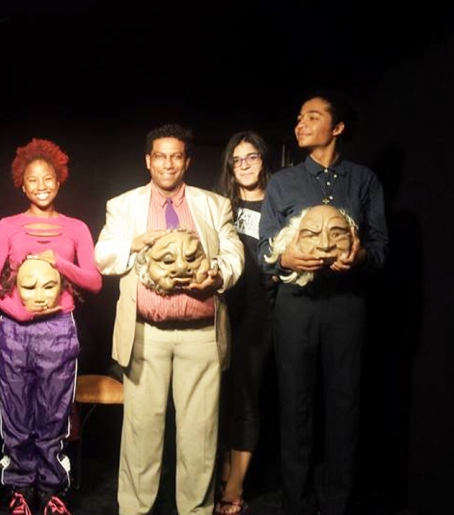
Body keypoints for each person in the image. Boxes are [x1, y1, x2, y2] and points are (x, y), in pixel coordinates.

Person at [94, 123, 243, 515]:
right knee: (141, 432)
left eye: (176, 156)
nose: (168, 164)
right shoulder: (123, 205)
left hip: (200, 335)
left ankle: (195, 510)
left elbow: (234, 253)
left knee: (200, 433)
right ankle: (135, 510)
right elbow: (103, 256)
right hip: (147, 334)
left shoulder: (214, 205)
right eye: (160, 156)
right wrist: (133, 243)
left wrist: (218, 274)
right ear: (148, 161)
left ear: (187, 161)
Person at [258, 92, 388, 515]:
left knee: (345, 404)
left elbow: (381, 249)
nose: (301, 124)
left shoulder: (364, 181)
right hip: (296, 306)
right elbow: (262, 250)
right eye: (299, 117)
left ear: (337, 127)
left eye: (312, 117)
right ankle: (297, 503)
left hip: (346, 305)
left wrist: (361, 256)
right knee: (294, 405)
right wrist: (286, 259)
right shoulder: (283, 182)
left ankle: (337, 503)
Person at [0, 138, 101, 515]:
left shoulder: (75, 228)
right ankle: (19, 489)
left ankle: (52, 492)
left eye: (47, 178)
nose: (41, 185)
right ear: (22, 184)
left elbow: (94, 281)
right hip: (15, 330)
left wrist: (58, 262)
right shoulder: (7, 226)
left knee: (54, 414)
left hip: (58, 329)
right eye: (32, 179)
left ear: (59, 180)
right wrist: (16, 313)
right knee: (16, 412)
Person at [214, 131, 274, 514]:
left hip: (260, 313)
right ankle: (221, 472)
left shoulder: (278, 203)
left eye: (252, 157)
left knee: (246, 395)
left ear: (263, 160)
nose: (245, 165)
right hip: (221, 311)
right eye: (237, 159)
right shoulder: (221, 205)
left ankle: (235, 487)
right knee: (219, 395)